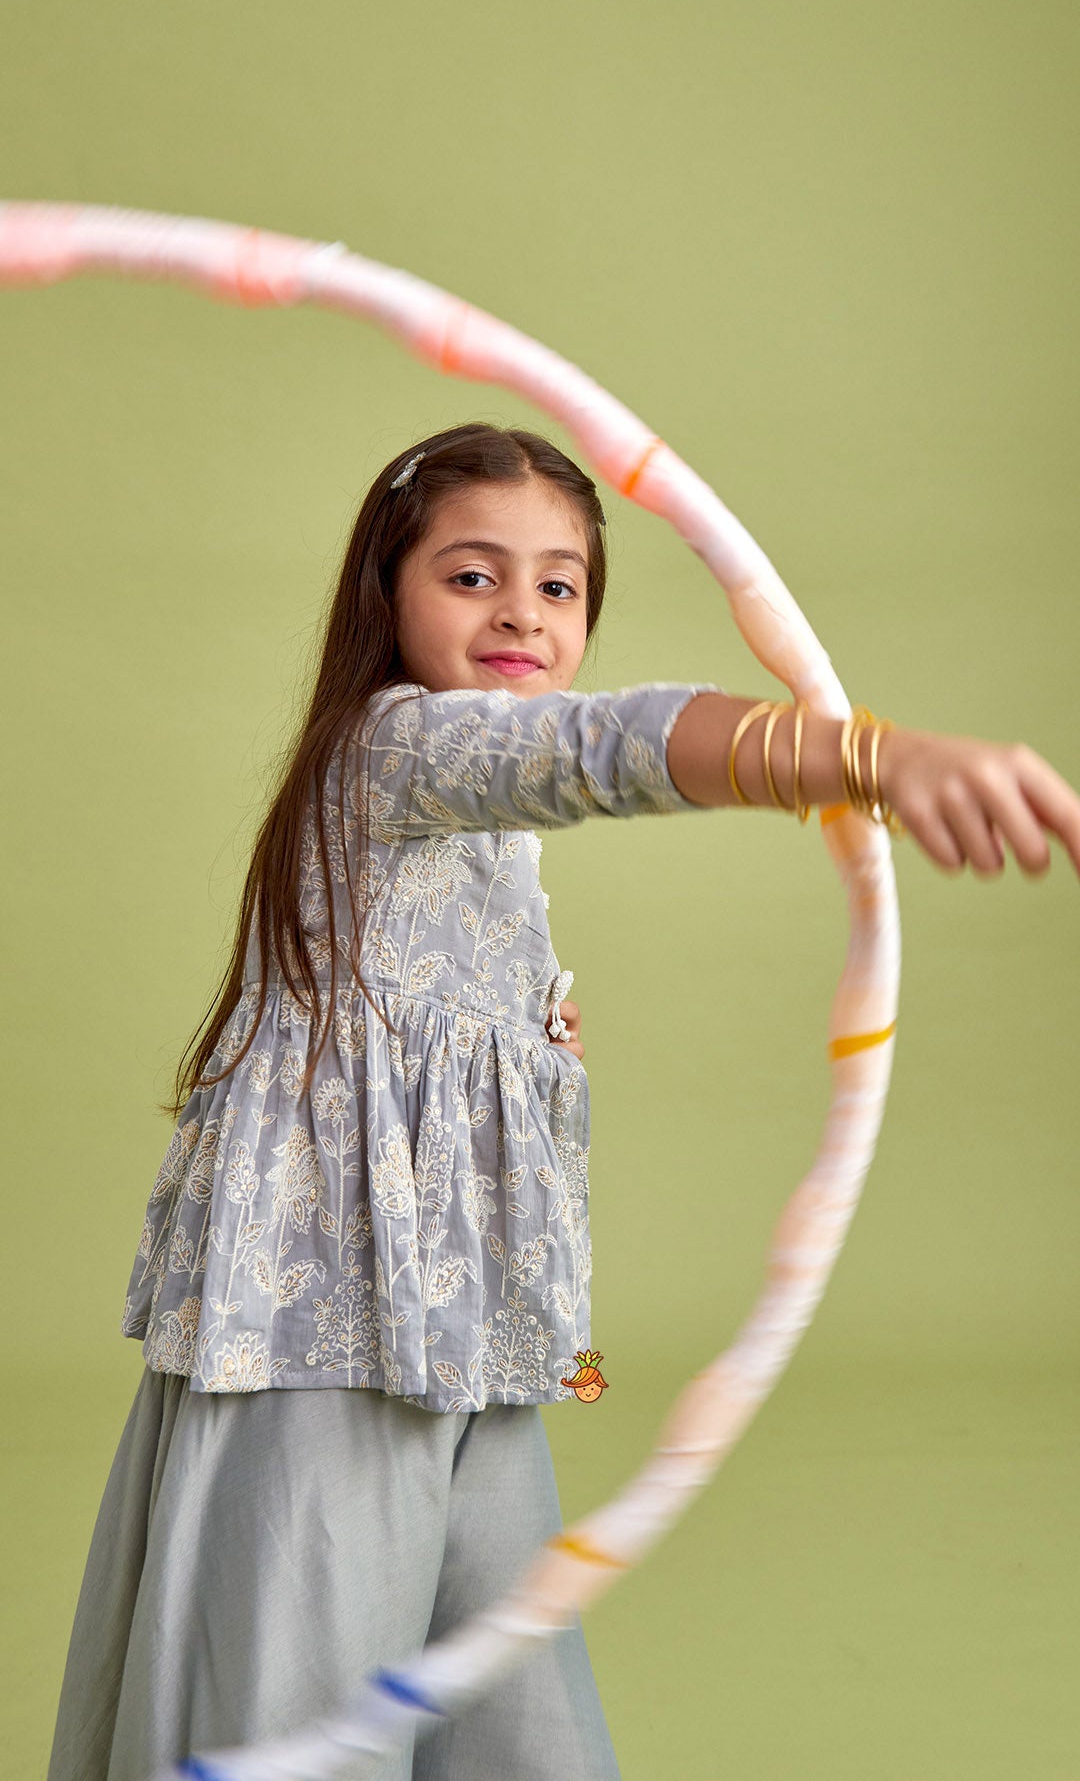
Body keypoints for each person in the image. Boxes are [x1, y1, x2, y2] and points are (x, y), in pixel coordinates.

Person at [46, 421, 1080, 1781]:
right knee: (304, 1690)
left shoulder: (479, 822)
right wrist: (873, 758)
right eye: (471, 577)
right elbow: (608, 745)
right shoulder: (400, 749)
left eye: (560, 585)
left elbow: (430, 991)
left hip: (463, 1338)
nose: (521, 614)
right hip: (329, 1333)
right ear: (387, 596)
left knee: (505, 1706)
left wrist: (520, 1046)